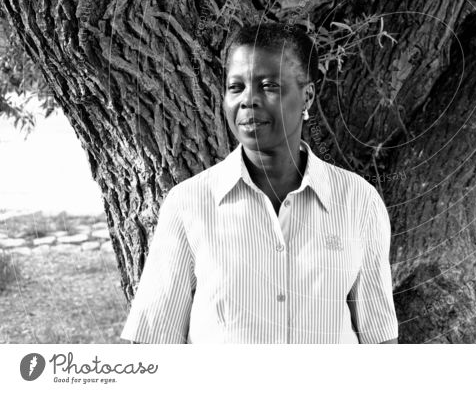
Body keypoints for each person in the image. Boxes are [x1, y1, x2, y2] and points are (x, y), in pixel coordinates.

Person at [121, 22, 398, 343]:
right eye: (236, 87)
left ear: (307, 96)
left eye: (268, 86)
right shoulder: (189, 203)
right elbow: (152, 339)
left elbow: (379, 337)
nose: (248, 100)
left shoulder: (357, 200)